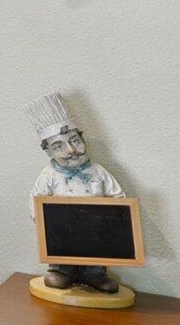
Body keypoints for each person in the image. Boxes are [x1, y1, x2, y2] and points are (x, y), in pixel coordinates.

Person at [23, 92, 124, 291]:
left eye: (75, 141)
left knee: (95, 253)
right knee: (63, 252)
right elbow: (36, 199)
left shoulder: (98, 171)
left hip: (94, 230)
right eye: (59, 146)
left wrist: (114, 218)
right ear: (48, 152)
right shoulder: (49, 175)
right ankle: (62, 272)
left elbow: (118, 197)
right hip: (64, 231)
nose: (71, 150)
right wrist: (46, 223)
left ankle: (95, 275)